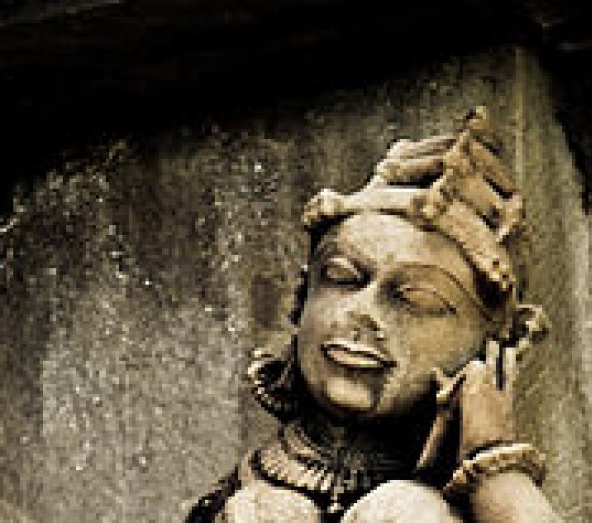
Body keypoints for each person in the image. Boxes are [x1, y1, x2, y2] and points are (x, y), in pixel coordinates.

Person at [187, 107, 562, 522]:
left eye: (416, 299)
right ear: (300, 298)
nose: (361, 312)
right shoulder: (241, 495)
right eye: (341, 278)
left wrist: (494, 464)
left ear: (500, 341)